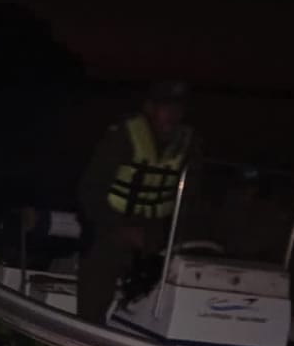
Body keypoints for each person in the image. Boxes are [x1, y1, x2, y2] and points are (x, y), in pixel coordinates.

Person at [76, 80, 204, 323]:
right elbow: (89, 191)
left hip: (157, 230)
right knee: (100, 270)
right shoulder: (122, 136)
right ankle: (89, 327)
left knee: (182, 273)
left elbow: (190, 199)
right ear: (149, 108)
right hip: (111, 224)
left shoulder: (189, 143)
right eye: (166, 106)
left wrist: (173, 236)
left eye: (178, 107)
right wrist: (118, 227)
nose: (172, 114)